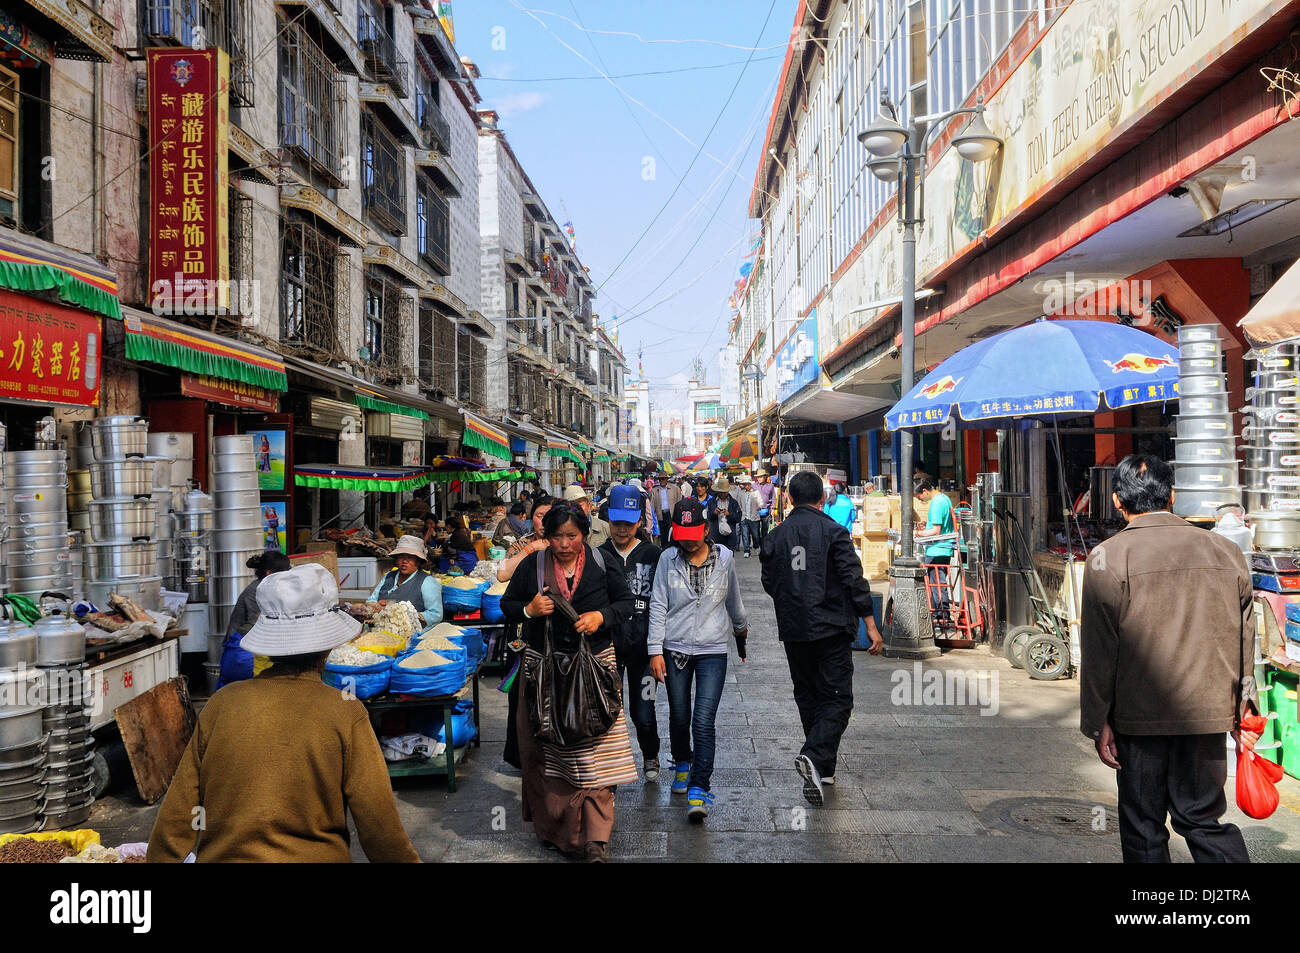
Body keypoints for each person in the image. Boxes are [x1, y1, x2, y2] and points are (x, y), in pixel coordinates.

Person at [148, 564, 420, 862]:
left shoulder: (221, 705)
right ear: (328, 649)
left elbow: (177, 820)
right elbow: (379, 826)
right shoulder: (345, 711)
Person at [1080, 454, 1258, 863]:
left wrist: (1097, 721)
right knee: (1201, 819)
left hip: (1139, 717)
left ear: (1116, 501)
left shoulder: (1108, 557)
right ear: (1172, 496)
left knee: (1143, 826)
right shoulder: (1226, 551)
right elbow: (1245, 637)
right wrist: (1243, 708)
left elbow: (1099, 650)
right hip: (1207, 715)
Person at [500, 504, 638, 862]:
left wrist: (600, 617)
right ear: (547, 536)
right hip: (545, 673)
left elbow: (626, 604)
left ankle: (595, 840)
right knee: (552, 756)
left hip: (594, 671)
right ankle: (559, 831)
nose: (564, 544)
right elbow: (507, 604)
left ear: (584, 535)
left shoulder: (602, 562)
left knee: (596, 757)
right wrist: (530, 610)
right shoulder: (533, 564)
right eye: (557, 536)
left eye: (571, 536)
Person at [760, 470, 881, 806]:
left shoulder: (776, 535)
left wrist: (792, 603)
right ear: (820, 498)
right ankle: (814, 755)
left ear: (789, 498)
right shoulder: (834, 532)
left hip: (795, 629)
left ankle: (823, 767)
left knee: (808, 694)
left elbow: (770, 582)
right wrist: (870, 623)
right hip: (830, 627)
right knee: (838, 698)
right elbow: (853, 580)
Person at [648, 498, 748, 821]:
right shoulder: (667, 559)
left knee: (702, 720)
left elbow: (733, 599)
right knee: (679, 715)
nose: (687, 540)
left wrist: (741, 631)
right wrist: (654, 651)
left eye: (692, 533)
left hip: (712, 650)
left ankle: (699, 787)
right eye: (681, 533)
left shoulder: (725, 560)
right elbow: (658, 604)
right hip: (674, 649)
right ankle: (681, 761)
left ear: (705, 530)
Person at [599, 484, 663, 782]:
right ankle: (608, 766)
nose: (622, 529)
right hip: (607, 650)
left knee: (643, 710)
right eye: (616, 523)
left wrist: (659, 648)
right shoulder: (598, 556)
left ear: (639, 521)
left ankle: (650, 756)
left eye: (628, 523)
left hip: (644, 651)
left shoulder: (655, 555)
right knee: (607, 709)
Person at [217, 550, 291, 689]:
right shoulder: (258, 591)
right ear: (269, 573)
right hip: (242, 652)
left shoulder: (265, 587)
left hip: (244, 651)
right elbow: (259, 627)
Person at [367, 534, 444, 629]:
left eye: (410, 557)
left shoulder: (427, 582)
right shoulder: (389, 576)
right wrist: (376, 606)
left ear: (418, 561)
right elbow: (371, 600)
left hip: (414, 635)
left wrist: (402, 613)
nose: (404, 561)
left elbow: (436, 614)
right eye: (401, 557)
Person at [914, 476, 955, 615]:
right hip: (943, 548)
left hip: (937, 549)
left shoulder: (937, 503)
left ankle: (942, 613)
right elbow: (940, 524)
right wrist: (927, 524)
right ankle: (941, 612)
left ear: (925, 491)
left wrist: (919, 534)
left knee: (937, 583)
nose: (921, 500)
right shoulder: (944, 498)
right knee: (938, 582)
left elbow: (936, 531)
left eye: (920, 497)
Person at [563, 483, 610, 548]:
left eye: (580, 503)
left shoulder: (605, 528)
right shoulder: (561, 532)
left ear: (588, 506)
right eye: (572, 505)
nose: (577, 508)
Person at [705, 475, 742, 552]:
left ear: (728, 491)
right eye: (720, 492)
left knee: (729, 558)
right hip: (715, 536)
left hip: (730, 536)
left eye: (724, 492)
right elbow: (707, 517)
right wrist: (713, 513)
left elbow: (738, 518)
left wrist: (729, 514)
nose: (722, 494)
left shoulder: (733, 502)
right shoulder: (711, 502)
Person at [736, 474, 762, 558]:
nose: (746, 486)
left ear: (750, 484)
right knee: (745, 534)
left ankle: (756, 547)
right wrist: (740, 511)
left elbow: (761, 502)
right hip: (744, 516)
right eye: (745, 484)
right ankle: (746, 550)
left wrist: (759, 506)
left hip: (754, 516)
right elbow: (738, 503)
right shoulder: (741, 493)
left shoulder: (756, 492)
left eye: (748, 484)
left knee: (755, 535)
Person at [652, 477, 681, 546]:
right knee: (663, 533)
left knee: (671, 532)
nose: (661, 481)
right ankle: (664, 547)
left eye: (663, 479)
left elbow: (678, 500)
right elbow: (652, 504)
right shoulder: (655, 490)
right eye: (660, 479)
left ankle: (672, 545)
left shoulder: (674, 489)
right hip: (661, 514)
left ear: (666, 480)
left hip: (671, 514)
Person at [754, 469, 776, 540]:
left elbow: (773, 497)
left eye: (761, 477)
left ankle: (764, 544)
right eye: (758, 477)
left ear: (765, 477)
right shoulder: (753, 486)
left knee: (765, 529)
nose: (759, 478)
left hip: (766, 510)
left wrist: (773, 508)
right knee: (755, 530)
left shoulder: (771, 486)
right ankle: (757, 545)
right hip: (755, 511)